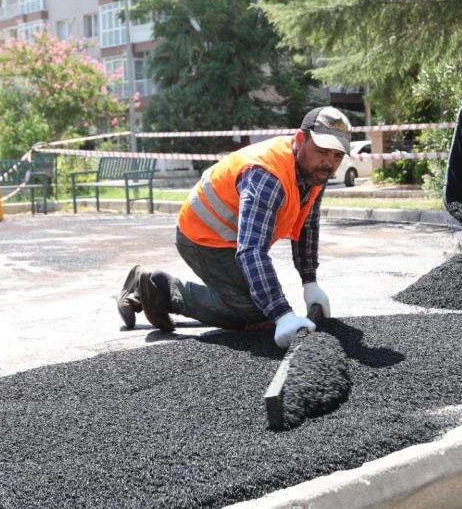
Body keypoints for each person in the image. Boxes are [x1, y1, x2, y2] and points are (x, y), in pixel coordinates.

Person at [116, 106, 352, 349]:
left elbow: (307, 226)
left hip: (233, 237)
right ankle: (158, 288)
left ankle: (187, 291)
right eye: (322, 151)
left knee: (261, 303)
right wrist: (281, 313)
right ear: (301, 140)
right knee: (258, 314)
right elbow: (251, 250)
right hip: (203, 236)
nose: (329, 163)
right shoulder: (268, 175)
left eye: (337, 156)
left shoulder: (313, 173)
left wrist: (309, 280)